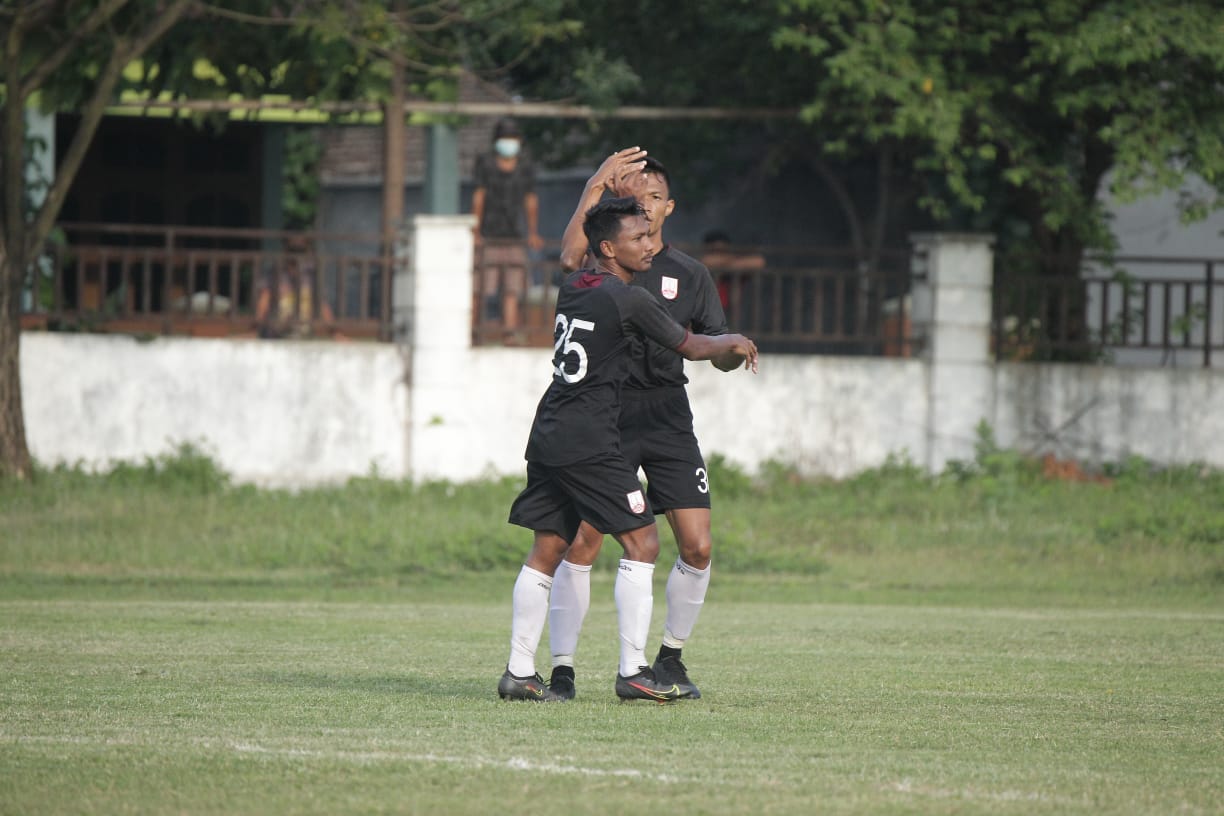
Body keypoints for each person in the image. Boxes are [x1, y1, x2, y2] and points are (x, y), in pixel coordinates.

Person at [498, 197, 757, 703]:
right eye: (638, 239)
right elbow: (690, 346)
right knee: (643, 541)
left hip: (550, 431)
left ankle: (519, 672)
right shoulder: (628, 299)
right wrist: (735, 338)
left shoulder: (574, 285)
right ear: (610, 248)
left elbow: (572, 252)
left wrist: (595, 187)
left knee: (547, 548)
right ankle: (635, 671)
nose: (649, 244)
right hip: (591, 442)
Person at [471, 118, 544, 341]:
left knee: (512, 288)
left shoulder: (525, 168)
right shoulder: (485, 164)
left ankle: (509, 333)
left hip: (515, 235)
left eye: (512, 138)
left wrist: (532, 232)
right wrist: (475, 231)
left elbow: (530, 200)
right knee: (480, 287)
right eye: (504, 138)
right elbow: (479, 197)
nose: (508, 143)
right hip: (488, 235)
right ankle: (473, 332)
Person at [254, 235, 340, 339]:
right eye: (294, 251)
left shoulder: (310, 274)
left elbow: (322, 305)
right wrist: (255, 330)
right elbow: (264, 302)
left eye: (300, 251)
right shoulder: (275, 272)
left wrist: (335, 333)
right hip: (277, 331)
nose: (297, 256)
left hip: (302, 330)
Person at [700, 228, 766, 310]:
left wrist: (726, 264)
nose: (719, 255)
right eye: (714, 251)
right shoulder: (700, 267)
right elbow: (706, 261)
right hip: (707, 314)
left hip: (731, 314)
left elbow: (759, 262)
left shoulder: (732, 268)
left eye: (722, 251)